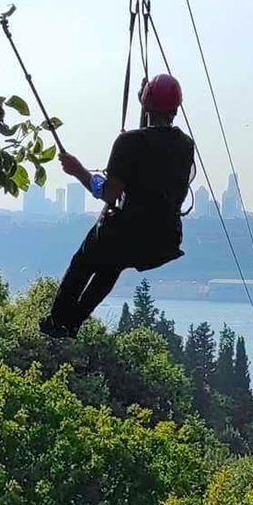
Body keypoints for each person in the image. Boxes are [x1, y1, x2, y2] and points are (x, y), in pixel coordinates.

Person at [40, 74, 195, 338]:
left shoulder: (128, 143)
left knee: (85, 262)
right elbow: (154, 152)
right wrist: (144, 101)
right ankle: (73, 323)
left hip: (125, 232)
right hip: (164, 237)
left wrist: (79, 172)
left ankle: (58, 320)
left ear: (146, 107)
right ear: (176, 109)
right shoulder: (185, 145)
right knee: (111, 265)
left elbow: (110, 195)